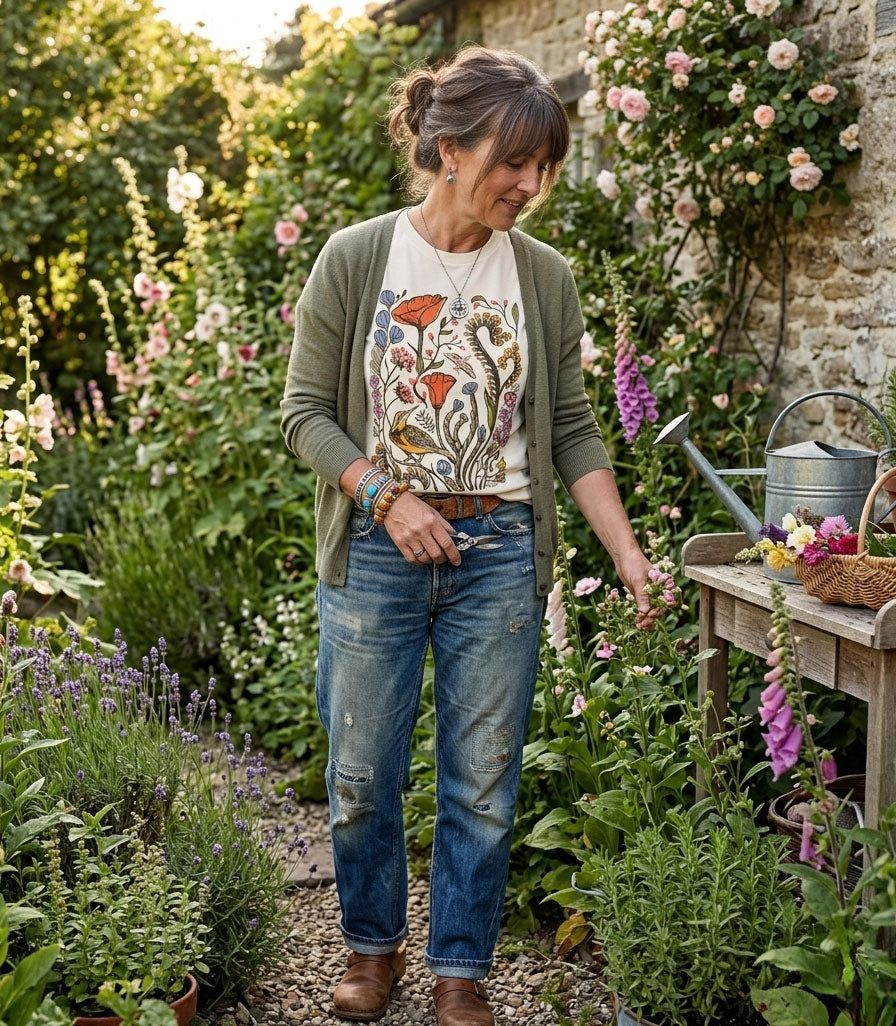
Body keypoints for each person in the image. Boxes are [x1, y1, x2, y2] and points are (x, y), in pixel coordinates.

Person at [280, 45, 660, 1026]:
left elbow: (571, 426)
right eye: (512, 162)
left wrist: (623, 550)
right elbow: (303, 415)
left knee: (483, 781)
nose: (529, 185)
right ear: (448, 148)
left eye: (544, 166)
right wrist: (384, 497)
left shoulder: (544, 277)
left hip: (498, 551)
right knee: (361, 774)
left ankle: (460, 968)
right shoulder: (358, 257)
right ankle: (373, 948)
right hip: (375, 552)